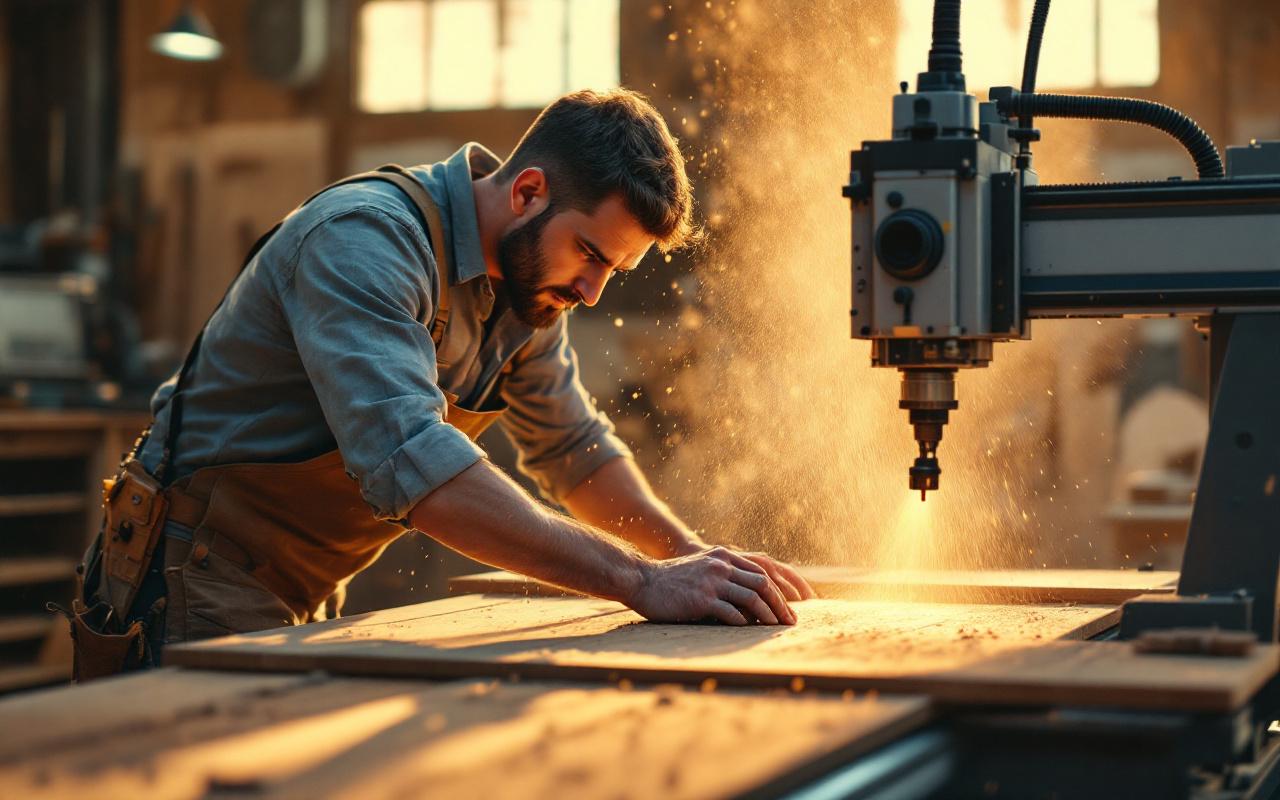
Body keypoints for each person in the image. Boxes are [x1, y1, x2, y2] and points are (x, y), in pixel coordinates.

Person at [69, 89, 814, 680]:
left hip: (297, 582)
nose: (591, 293)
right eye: (588, 254)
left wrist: (691, 562)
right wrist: (640, 581)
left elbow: (575, 450)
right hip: (191, 565)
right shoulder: (363, 241)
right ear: (527, 192)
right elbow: (418, 468)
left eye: (611, 271)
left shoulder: (526, 290)